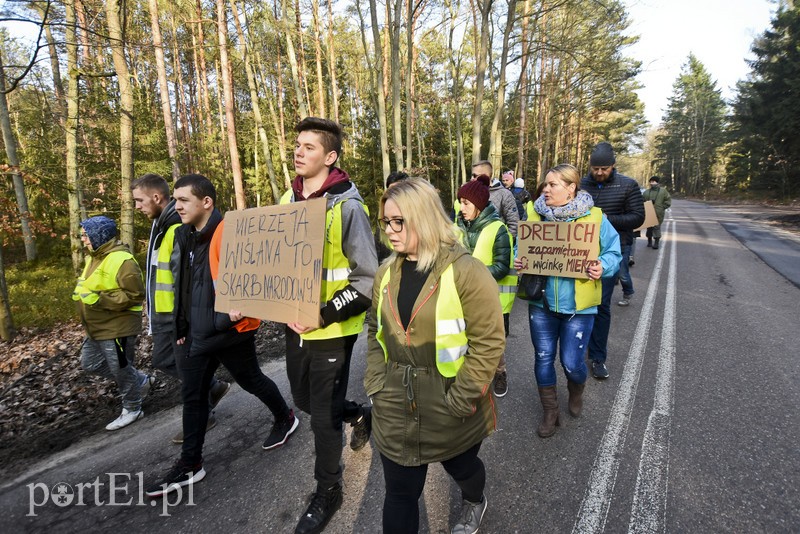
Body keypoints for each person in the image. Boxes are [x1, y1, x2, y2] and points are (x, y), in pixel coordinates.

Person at [366, 178, 505, 534]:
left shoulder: (467, 272)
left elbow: (488, 342)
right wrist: (376, 383)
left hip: (450, 404)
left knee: (463, 469)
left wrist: (460, 399)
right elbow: (374, 330)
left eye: (400, 222)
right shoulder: (385, 272)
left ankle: (475, 499)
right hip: (395, 402)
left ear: (425, 218)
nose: (391, 231)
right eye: (386, 222)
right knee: (399, 493)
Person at [145, 174, 297, 498]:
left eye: (183, 200)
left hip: (229, 332)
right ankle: (190, 463)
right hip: (196, 335)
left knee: (251, 379)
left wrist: (232, 315)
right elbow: (184, 287)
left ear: (206, 202)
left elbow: (257, 275)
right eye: (175, 199)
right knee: (193, 396)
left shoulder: (231, 232)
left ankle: (285, 416)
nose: (177, 205)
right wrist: (182, 330)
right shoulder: (185, 235)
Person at [280, 117, 378, 534]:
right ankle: (358, 413)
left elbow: (367, 278)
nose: (299, 152)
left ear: (330, 156)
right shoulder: (288, 199)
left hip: (332, 329)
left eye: (309, 147)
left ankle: (329, 491)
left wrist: (324, 313)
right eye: (297, 145)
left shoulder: (348, 206)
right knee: (303, 401)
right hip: (293, 326)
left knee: (321, 419)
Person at [517, 164, 621, 437]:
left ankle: (577, 388)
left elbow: (613, 252)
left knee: (573, 363)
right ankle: (550, 411)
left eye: (553, 184)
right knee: (543, 359)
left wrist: (602, 266)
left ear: (571, 187)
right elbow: (522, 247)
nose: (546, 189)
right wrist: (519, 259)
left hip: (580, 308)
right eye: (546, 184)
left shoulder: (595, 218)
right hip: (542, 305)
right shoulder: (534, 214)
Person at [131, 174, 230, 444]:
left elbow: (185, 276)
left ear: (155, 197)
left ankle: (202, 414)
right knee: (165, 361)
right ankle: (212, 388)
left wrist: (184, 318)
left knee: (187, 365)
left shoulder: (176, 226)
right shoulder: (160, 226)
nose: (137, 206)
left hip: (175, 313)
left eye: (140, 201)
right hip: (163, 312)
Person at [73, 216, 151, 431]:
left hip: (117, 326)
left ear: (100, 235)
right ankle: (142, 381)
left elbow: (135, 294)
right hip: (96, 326)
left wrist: (99, 298)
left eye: (86, 235)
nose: (83, 240)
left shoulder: (122, 260)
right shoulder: (95, 257)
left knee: (121, 369)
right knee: (90, 363)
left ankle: (133, 408)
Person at [580, 142, 644, 378]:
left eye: (604, 168)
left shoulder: (627, 185)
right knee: (583, 303)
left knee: (601, 303)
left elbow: (638, 217)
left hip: (616, 248)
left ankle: (598, 357)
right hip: (581, 250)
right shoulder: (581, 184)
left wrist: (606, 220)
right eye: (595, 168)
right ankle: (579, 348)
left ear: (613, 166)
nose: (599, 172)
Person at [456, 175, 515, 398]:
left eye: (466, 203)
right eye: (460, 202)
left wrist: (469, 272)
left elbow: (501, 268)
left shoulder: (498, 229)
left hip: (493, 301)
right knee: (465, 339)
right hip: (462, 298)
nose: (461, 208)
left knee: (492, 346)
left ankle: (500, 373)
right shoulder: (456, 227)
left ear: (479, 206)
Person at [471, 160, 519, 239]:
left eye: (475, 175)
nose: (472, 179)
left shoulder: (505, 195)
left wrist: (503, 244)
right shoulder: (469, 193)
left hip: (494, 246)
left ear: (485, 176)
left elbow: (514, 223)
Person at [642, 176, 671, 249]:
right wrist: (647, 204)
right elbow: (641, 201)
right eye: (651, 181)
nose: (652, 183)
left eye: (654, 181)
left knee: (657, 227)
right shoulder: (646, 192)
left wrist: (662, 208)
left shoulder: (663, 191)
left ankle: (656, 243)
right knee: (649, 228)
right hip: (648, 212)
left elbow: (668, 200)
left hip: (658, 213)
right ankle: (649, 241)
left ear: (657, 182)